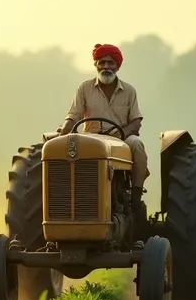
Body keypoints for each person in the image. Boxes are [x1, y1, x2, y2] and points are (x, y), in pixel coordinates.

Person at [58, 42, 149, 212]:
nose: (106, 67)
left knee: (137, 144)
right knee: (58, 148)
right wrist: (64, 132)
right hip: (90, 136)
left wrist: (120, 136)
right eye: (102, 63)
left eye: (111, 63)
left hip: (121, 138)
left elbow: (136, 122)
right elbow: (74, 115)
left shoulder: (129, 91)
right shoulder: (84, 88)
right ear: (96, 65)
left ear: (117, 66)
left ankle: (135, 196)